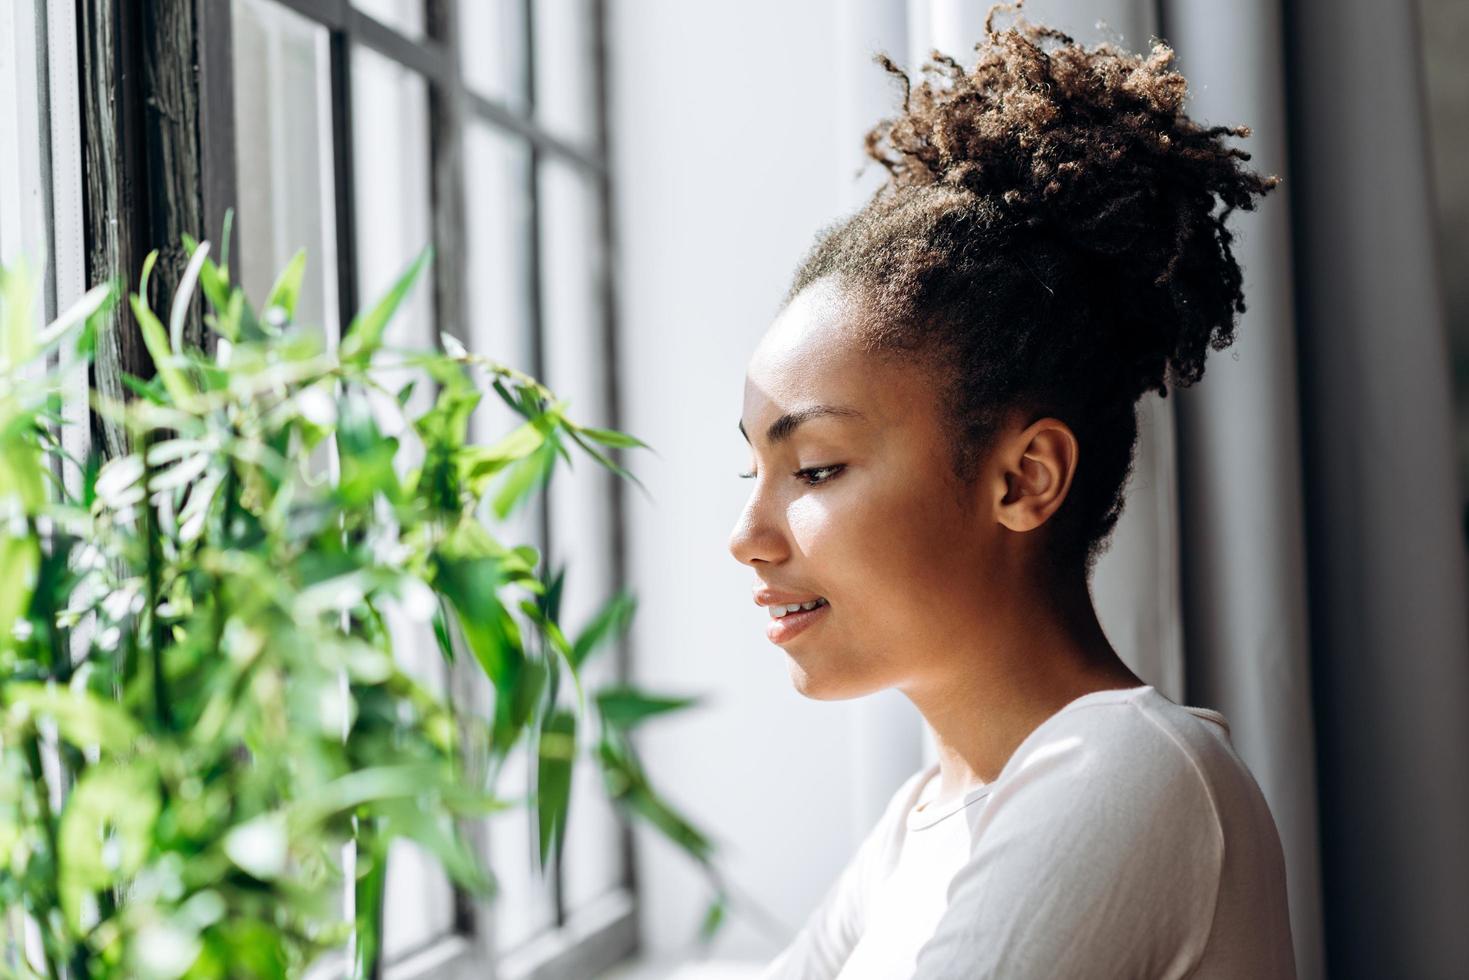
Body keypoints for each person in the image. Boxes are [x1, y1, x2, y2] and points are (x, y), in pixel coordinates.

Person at [726, 3, 1297, 977]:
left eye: (813, 466)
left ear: (1022, 478)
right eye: (753, 470)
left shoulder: (1124, 777)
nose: (747, 534)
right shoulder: (922, 823)